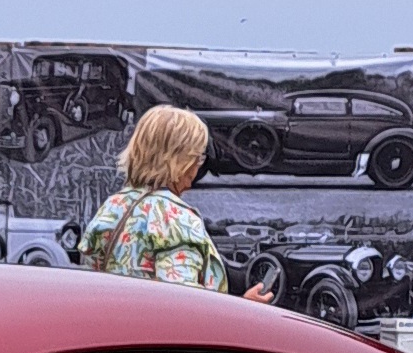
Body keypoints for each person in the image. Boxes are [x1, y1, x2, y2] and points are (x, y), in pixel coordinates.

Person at [79, 105, 275, 297]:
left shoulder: (113, 206)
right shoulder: (174, 219)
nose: (198, 167)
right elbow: (183, 306)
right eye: (198, 158)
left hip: (114, 326)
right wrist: (245, 308)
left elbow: (91, 287)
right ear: (179, 161)